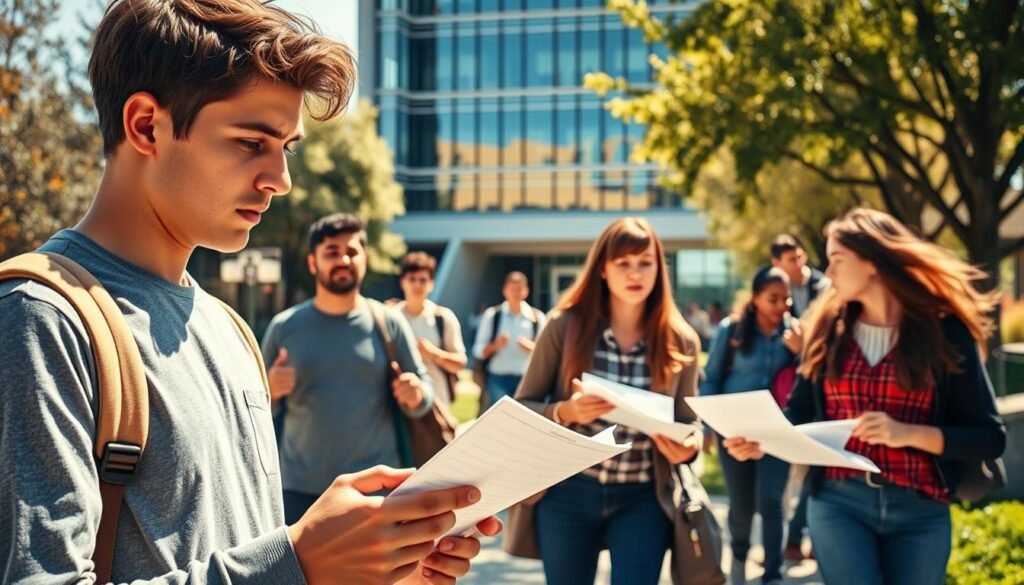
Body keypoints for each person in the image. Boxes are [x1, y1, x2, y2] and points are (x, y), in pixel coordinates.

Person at [0, 1, 498, 582]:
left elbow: (251, 555)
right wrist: (302, 559)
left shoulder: (231, 328)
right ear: (145, 125)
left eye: (285, 148)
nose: (280, 180)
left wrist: (372, 566)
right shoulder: (40, 319)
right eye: (249, 142)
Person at [724, 208, 1007, 585]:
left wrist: (907, 433)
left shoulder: (945, 331)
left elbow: (989, 437)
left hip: (921, 507)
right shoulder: (827, 327)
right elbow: (800, 414)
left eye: (837, 259)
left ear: (873, 261)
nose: (830, 271)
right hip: (840, 503)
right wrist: (763, 441)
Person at [513, 217, 703, 585]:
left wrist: (689, 446)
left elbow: (690, 424)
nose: (636, 273)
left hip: (643, 497)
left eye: (645, 262)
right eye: (624, 263)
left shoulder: (682, 342)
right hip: (568, 491)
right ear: (603, 268)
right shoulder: (564, 327)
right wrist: (564, 411)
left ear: (659, 268)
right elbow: (522, 407)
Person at [263, 214, 442, 523]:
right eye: (332, 252)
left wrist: (415, 394)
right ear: (312, 263)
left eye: (352, 251)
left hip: (376, 491)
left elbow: (425, 393)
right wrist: (270, 391)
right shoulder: (284, 328)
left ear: (365, 259)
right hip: (300, 493)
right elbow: (249, 409)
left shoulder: (389, 323)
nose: (343, 259)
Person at [701, 267, 801, 585]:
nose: (781, 306)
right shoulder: (732, 331)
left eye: (786, 299)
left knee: (772, 501)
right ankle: (740, 558)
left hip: (778, 429)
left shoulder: (796, 334)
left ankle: (772, 574)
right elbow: (712, 378)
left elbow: (810, 380)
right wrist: (706, 426)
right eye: (773, 299)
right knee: (742, 506)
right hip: (735, 432)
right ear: (755, 298)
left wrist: (802, 352)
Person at [394, 251, 468, 407]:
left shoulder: (443, 317)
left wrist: (434, 354)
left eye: (423, 280)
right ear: (402, 282)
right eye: (412, 279)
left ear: (431, 283)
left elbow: (460, 363)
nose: (417, 285)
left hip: (438, 401)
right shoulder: (391, 318)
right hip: (398, 403)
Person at [472, 271, 546, 407]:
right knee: (500, 420)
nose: (516, 293)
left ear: (526, 291)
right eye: (513, 289)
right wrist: (495, 346)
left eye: (519, 289)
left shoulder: (537, 318)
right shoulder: (493, 316)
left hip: (526, 380)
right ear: (505, 291)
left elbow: (547, 354)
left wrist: (532, 348)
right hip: (497, 379)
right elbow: (478, 350)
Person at [770, 234, 830, 318]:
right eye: (792, 260)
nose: (799, 264)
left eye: (800, 257)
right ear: (776, 263)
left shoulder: (823, 284)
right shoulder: (776, 291)